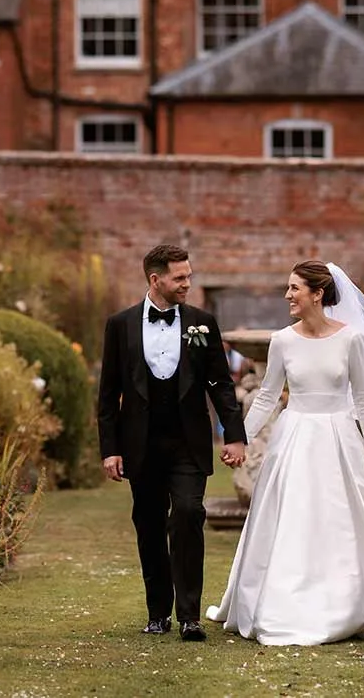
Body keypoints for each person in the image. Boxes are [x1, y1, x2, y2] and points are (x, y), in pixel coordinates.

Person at [205, 260, 364, 645]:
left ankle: (352, 601)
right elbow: (268, 398)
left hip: (340, 437)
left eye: (294, 288)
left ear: (317, 294)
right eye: (288, 288)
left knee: (346, 518)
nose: (287, 295)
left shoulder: (351, 339)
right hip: (294, 439)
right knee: (292, 517)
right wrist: (238, 438)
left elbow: (362, 398)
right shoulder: (283, 341)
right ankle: (284, 599)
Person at [96, 243, 247, 642]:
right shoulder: (120, 324)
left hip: (188, 443)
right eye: (180, 278)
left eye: (189, 276)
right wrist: (110, 448)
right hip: (139, 444)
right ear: (155, 279)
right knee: (148, 525)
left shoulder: (202, 322)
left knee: (186, 513)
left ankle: (190, 616)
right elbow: (108, 394)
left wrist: (234, 435)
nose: (187, 284)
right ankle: (158, 613)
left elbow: (220, 382)